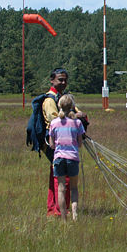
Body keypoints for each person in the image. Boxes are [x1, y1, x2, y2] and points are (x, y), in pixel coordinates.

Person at [43, 68, 87, 216]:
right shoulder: (50, 100)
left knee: (57, 178)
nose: (63, 82)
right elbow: (53, 119)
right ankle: (59, 210)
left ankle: (55, 209)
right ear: (52, 80)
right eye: (60, 79)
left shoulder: (62, 98)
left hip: (61, 145)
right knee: (62, 181)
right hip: (56, 145)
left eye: (65, 80)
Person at [48, 94, 85, 221]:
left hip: (58, 158)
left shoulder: (54, 123)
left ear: (59, 106)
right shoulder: (77, 123)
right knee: (74, 188)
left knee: (61, 189)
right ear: (72, 107)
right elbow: (80, 143)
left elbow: (52, 144)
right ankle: (75, 215)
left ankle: (63, 218)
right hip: (73, 158)